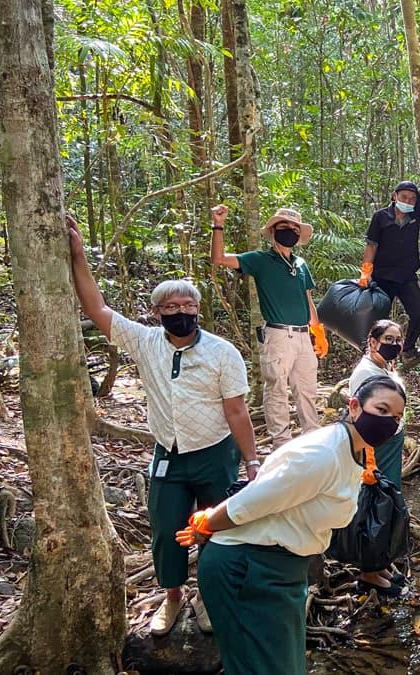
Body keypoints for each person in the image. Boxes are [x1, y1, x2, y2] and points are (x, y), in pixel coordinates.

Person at [68, 215, 259, 637]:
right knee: (166, 526)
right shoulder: (144, 341)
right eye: (171, 308)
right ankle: (172, 597)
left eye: (188, 307)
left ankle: (208, 595)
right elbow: (96, 308)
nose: (180, 313)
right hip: (168, 454)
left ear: (198, 310)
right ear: (157, 312)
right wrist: (79, 255)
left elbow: (237, 412)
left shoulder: (223, 353)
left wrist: (251, 462)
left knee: (216, 526)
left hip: (215, 451)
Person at [178, 376, 407, 675]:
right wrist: (206, 525)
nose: (389, 421)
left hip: (284, 568)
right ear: (354, 406)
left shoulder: (355, 450)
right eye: (382, 409)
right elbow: (253, 500)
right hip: (247, 566)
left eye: (397, 417)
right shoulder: (322, 454)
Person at [211, 204, 326, 449]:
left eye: (295, 228)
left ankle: (313, 441)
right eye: (284, 227)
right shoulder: (260, 260)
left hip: (304, 336)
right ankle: (282, 443)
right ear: (273, 231)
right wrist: (218, 224)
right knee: (277, 390)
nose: (290, 231)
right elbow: (219, 259)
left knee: (306, 390)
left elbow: (306, 298)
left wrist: (318, 330)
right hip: (278, 334)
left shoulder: (301, 264)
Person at [357, 140, 420, 356]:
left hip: (406, 276)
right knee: (376, 319)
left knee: (419, 312)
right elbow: (371, 244)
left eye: (411, 199)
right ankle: (370, 352)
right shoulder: (381, 217)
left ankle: (408, 348)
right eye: (404, 197)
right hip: (382, 276)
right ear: (395, 197)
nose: (408, 201)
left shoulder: (414, 214)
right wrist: (366, 272)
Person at [348, 320, 409, 593]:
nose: (394, 344)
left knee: (388, 502)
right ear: (373, 341)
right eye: (388, 338)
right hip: (376, 449)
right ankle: (369, 572)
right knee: (376, 507)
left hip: (391, 444)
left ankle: (380, 563)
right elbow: (362, 418)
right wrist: (369, 461)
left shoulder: (385, 367)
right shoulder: (364, 373)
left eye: (398, 339)